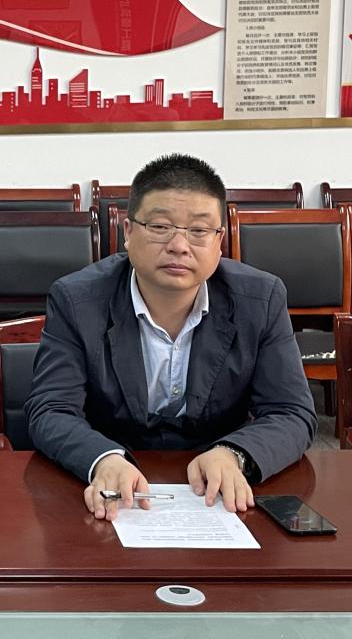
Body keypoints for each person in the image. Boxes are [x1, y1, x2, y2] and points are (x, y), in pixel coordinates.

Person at [25, 154, 316, 520]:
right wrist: (103, 458)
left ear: (220, 241)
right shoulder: (77, 300)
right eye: (160, 226)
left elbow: (291, 411)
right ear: (128, 232)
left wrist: (233, 454)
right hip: (112, 489)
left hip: (215, 490)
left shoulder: (260, 300)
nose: (179, 245)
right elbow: (51, 409)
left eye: (199, 230)